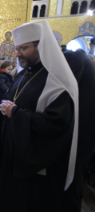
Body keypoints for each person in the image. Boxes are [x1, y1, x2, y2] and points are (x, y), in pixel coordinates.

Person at [0, 20, 79, 212]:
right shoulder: (23, 74)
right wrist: (3, 114)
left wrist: (16, 113)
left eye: (24, 48)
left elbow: (57, 124)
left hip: (35, 168)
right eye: (16, 48)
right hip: (13, 159)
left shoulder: (57, 82)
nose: (17, 53)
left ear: (41, 46)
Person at [61, 50, 95, 212]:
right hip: (86, 131)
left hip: (79, 132)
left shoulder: (73, 58)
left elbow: (64, 91)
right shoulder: (83, 59)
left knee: (71, 180)